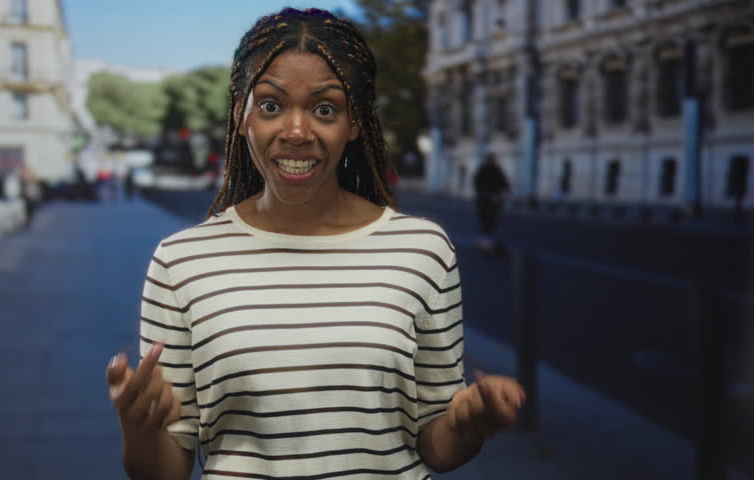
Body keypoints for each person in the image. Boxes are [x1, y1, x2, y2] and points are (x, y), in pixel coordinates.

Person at [105, 8, 524, 479]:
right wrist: (137, 426)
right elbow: (165, 470)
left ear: (355, 123)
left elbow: (438, 446)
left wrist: (468, 419)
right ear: (242, 116)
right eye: (270, 105)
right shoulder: (180, 261)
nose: (296, 132)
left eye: (325, 108)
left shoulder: (423, 249)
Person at [473, 153, 510, 254]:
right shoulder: (489, 170)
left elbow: (504, 183)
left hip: (489, 200)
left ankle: (487, 244)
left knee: (490, 223)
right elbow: (504, 183)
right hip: (488, 200)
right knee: (489, 223)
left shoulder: (487, 170)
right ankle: (486, 244)